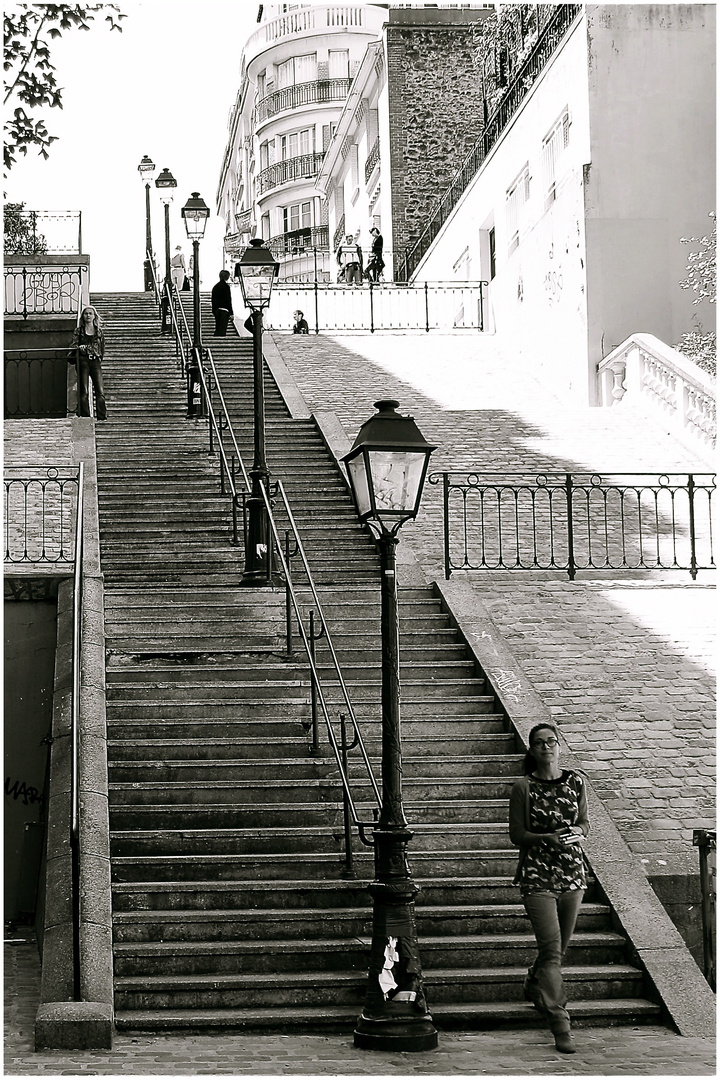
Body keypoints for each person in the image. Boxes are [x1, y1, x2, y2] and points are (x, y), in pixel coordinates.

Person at [508, 722, 589, 1055]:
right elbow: (517, 835)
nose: (546, 747)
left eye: (551, 741)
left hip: (572, 875)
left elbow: (585, 822)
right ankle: (559, 1022)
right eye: (539, 743)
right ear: (531, 750)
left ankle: (532, 981)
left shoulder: (577, 781)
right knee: (553, 952)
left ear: (560, 745)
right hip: (537, 876)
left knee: (558, 950)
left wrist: (577, 832)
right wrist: (546, 838)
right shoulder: (523, 787)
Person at [71, 305, 107, 420]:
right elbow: (74, 345)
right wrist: (80, 348)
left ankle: (102, 416)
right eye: (86, 313)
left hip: (95, 361)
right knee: (84, 391)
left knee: (100, 391)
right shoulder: (79, 331)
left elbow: (101, 348)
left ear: (94, 316)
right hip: (83, 362)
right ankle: (86, 416)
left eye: (90, 313)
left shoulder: (99, 331)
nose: (88, 315)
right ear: (83, 316)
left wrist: (89, 350)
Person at [211, 270, 233, 336]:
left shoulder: (215, 287)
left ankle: (216, 338)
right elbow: (228, 300)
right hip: (224, 310)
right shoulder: (226, 287)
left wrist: (213, 309)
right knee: (222, 328)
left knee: (218, 326)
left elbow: (213, 299)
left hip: (217, 309)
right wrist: (231, 312)